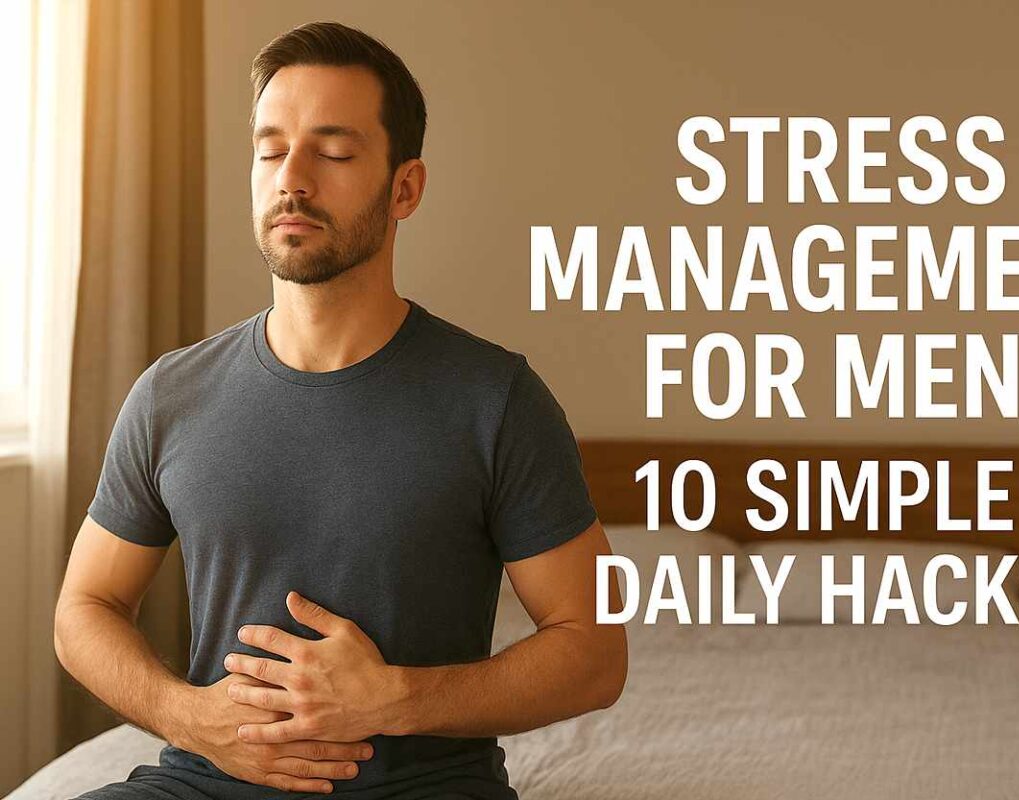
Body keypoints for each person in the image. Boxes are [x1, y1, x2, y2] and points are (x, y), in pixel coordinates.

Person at [54, 20, 627, 800]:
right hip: (204, 784)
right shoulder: (170, 394)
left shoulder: (496, 401)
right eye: (270, 151)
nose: (292, 178)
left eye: (332, 153)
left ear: (405, 188)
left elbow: (594, 653)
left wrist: (396, 698)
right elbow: (84, 608)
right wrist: (189, 718)